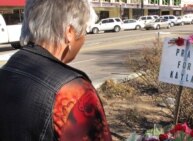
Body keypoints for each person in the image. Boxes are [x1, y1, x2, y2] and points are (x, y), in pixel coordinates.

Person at [0, 0, 112, 140]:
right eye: (85, 31)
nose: (84, 39)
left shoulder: (7, 70)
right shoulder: (73, 91)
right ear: (70, 32)